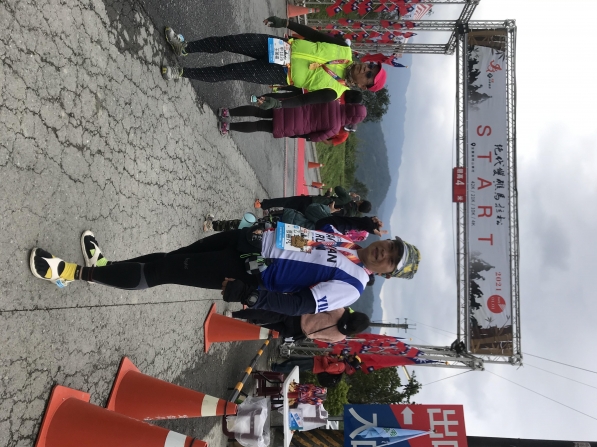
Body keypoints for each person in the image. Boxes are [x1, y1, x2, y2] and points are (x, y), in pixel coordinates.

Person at [29, 227, 420, 315]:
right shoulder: (349, 242)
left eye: (391, 259)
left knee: (163, 271)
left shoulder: (353, 286)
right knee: (170, 256)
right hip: (247, 242)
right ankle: (106, 268)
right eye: (391, 246)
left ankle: (70, 273)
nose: (385, 251)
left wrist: (251, 296)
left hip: (246, 270)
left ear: (386, 273)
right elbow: (301, 240)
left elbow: (301, 304)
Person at [161, 17, 387, 106]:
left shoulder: (334, 92)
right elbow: (314, 35)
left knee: (229, 71)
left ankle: (181, 72)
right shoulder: (344, 50)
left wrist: (278, 103)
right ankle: (184, 47)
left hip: (278, 73)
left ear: (363, 86)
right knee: (229, 41)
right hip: (280, 46)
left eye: (369, 75)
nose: (366, 68)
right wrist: (286, 23)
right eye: (370, 66)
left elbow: (302, 100)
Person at [217, 100, 367, 138]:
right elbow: (315, 137)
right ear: (352, 120)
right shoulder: (335, 128)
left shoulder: (333, 100)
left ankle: (226, 111)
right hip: (292, 126)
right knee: (258, 126)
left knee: (258, 111)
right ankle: (227, 127)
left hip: (290, 107)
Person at [229, 306, 370, 343]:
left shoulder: (340, 311)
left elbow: (318, 305)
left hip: (297, 315)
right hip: (298, 332)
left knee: (265, 314)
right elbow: (319, 339)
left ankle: (234, 315)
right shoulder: (340, 337)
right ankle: (233, 329)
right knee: (262, 331)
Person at [254, 186, 356, 214]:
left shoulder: (348, 199)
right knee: (290, 213)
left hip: (312, 202)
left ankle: (263, 205)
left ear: (360, 202)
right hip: (315, 214)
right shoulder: (350, 216)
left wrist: (349, 195)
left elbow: (338, 188)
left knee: (287, 202)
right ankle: (271, 216)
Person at [272, 353, 362, 375]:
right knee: (293, 360)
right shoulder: (342, 362)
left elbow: (327, 368)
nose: (351, 356)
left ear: (352, 361)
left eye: (352, 357)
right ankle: (278, 366)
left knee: (294, 365)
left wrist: (324, 357)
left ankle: (276, 369)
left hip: (315, 365)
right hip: (315, 360)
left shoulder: (342, 366)